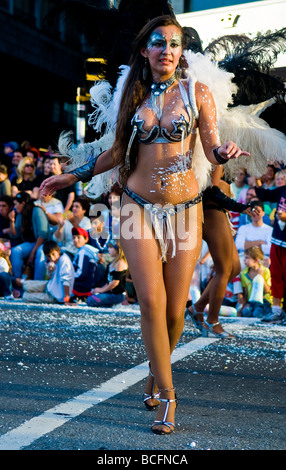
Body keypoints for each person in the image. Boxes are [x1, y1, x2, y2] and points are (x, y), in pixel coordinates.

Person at [40, 16, 249, 434]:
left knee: (174, 311)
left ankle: (158, 369)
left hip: (186, 209)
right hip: (136, 207)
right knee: (151, 304)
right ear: (144, 51)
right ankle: (169, 397)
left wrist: (223, 151)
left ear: (181, 52)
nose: (167, 50)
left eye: (175, 43)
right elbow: (117, 151)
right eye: (159, 43)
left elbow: (210, 147)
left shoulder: (196, 92)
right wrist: (71, 176)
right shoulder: (133, 97)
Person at [186, 166, 254, 338]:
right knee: (224, 269)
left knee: (235, 268)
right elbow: (212, 191)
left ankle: (198, 307)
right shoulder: (215, 155)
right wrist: (239, 207)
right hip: (212, 212)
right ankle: (212, 321)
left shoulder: (221, 157)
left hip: (220, 212)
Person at [254, 182, 286, 323]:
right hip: (277, 239)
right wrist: (257, 180)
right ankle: (276, 311)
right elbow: (265, 195)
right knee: (276, 275)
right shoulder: (283, 189)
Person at [9, 192, 50, 280]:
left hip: (42, 243)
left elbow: (43, 234)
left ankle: (37, 283)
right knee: (16, 251)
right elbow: (15, 235)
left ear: (23, 203)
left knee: (40, 253)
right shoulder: (20, 215)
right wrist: (12, 220)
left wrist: (32, 253)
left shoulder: (37, 210)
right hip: (31, 243)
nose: (14, 207)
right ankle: (17, 280)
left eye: (16, 204)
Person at [87, 240, 127, 308]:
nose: (109, 249)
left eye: (111, 248)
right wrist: (99, 290)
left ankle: (113, 304)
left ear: (118, 249)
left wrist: (101, 290)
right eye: (108, 247)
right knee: (92, 295)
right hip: (111, 293)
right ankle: (109, 304)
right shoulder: (114, 262)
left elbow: (115, 282)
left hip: (117, 295)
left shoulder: (120, 263)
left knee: (90, 300)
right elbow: (109, 282)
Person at [70, 226, 106, 302]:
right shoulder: (86, 250)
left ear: (86, 239)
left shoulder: (83, 251)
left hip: (84, 286)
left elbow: (81, 273)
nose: (75, 240)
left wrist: (71, 278)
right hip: (90, 284)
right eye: (74, 238)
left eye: (78, 237)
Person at [235, 199, 273, 269]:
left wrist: (247, 244)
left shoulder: (269, 230)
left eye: (258, 211)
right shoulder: (243, 228)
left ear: (263, 213)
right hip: (244, 258)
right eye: (253, 211)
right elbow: (238, 245)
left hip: (262, 259)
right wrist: (260, 242)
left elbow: (270, 249)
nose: (255, 213)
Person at [238, 246, 272, 318]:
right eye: (244, 257)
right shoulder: (244, 273)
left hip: (263, 301)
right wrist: (243, 306)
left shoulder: (265, 271)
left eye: (247, 258)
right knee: (246, 312)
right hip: (251, 301)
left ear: (256, 260)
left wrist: (261, 277)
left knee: (257, 313)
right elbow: (246, 293)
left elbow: (267, 290)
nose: (244, 260)